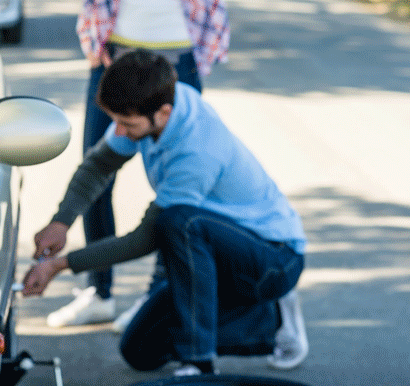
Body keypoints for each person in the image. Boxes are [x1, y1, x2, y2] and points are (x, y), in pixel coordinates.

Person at [50, 0, 235, 330]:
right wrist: (92, 33)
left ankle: (158, 297)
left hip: (177, 60)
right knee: (97, 168)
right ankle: (100, 292)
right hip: (115, 51)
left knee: (176, 186)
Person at [24, 51, 309, 376]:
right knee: (139, 350)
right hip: (218, 251)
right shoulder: (156, 100)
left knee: (178, 223)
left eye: (126, 124)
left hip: (273, 259)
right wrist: (61, 221)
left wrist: (60, 265)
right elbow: (98, 165)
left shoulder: (198, 147)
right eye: (116, 120)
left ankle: (199, 362)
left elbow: (144, 239)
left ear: (163, 113)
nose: (118, 131)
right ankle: (273, 322)